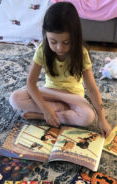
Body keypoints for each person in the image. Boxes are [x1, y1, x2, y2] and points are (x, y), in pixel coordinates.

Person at [9, 2, 111, 137]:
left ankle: (41, 116)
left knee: (88, 117)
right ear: (46, 35)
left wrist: (102, 119)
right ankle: (54, 112)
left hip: (73, 97)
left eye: (66, 42)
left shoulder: (82, 53)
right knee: (15, 99)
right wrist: (45, 109)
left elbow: (91, 88)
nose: (59, 48)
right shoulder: (42, 49)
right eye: (53, 42)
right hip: (50, 92)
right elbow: (31, 83)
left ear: (75, 36)